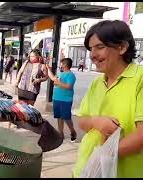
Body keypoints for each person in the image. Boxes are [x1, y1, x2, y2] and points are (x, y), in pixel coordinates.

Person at [73, 20, 143, 178]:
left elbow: (141, 136)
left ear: (122, 47)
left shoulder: (140, 79)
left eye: (100, 47)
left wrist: (101, 159)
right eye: (91, 49)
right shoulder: (97, 83)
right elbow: (82, 121)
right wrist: (95, 122)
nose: (92, 55)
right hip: (84, 170)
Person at [45, 58, 77, 142]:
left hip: (66, 100)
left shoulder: (71, 75)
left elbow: (69, 86)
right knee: (59, 117)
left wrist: (58, 83)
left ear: (65, 65)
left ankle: (72, 131)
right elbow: (52, 78)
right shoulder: (61, 74)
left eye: (61, 64)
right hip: (56, 98)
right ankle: (60, 133)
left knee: (66, 117)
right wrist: (48, 68)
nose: (60, 65)